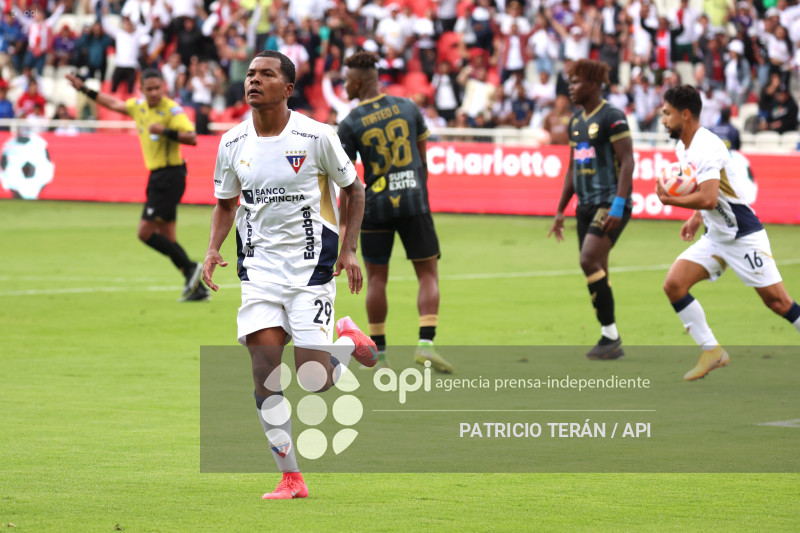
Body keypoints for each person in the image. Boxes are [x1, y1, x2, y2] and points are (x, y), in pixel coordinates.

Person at [202, 50, 376, 500]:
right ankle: (291, 477)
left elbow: (354, 189)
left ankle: (346, 339)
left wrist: (349, 249)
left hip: (310, 270)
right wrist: (212, 248)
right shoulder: (232, 143)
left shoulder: (317, 136)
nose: (254, 80)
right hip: (259, 272)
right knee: (264, 374)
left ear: (288, 88)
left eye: (266, 74)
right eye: (251, 74)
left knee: (315, 379)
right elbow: (226, 203)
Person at [657, 85, 800, 381]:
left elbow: (709, 198)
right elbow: (706, 194)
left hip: (742, 235)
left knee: (778, 302)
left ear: (685, 114)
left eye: (667, 113)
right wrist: (696, 217)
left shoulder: (708, 146)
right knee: (674, 285)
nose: (663, 120)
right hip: (716, 235)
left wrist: (671, 201)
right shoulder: (683, 147)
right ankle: (712, 351)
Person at [337, 51, 453, 373]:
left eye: (346, 81)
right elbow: (422, 159)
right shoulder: (408, 107)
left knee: (376, 279)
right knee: (427, 274)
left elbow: (346, 180)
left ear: (357, 82)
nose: (345, 86)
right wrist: (419, 196)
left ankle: (381, 356)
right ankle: (426, 345)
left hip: (376, 204)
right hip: (414, 200)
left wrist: (345, 224)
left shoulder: (350, 124)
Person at [65, 69, 207, 301]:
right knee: (168, 237)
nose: (154, 92)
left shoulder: (171, 110)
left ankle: (191, 267)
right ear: (141, 90)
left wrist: (164, 131)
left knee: (145, 233)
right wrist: (84, 89)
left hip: (170, 176)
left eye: (157, 88)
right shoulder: (138, 107)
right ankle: (197, 288)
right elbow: (112, 103)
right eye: (149, 89)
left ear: (164, 87)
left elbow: (192, 137)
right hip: (157, 177)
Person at [547, 59, 635, 360]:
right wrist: (561, 210)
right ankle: (610, 339)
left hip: (609, 202)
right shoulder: (576, 122)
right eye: (570, 82)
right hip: (584, 206)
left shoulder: (612, 116)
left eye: (576, 82)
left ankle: (610, 335)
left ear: (594, 84)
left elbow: (628, 161)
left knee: (588, 260)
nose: (571, 87)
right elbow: (573, 167)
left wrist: (619, 205)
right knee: (598, 269)